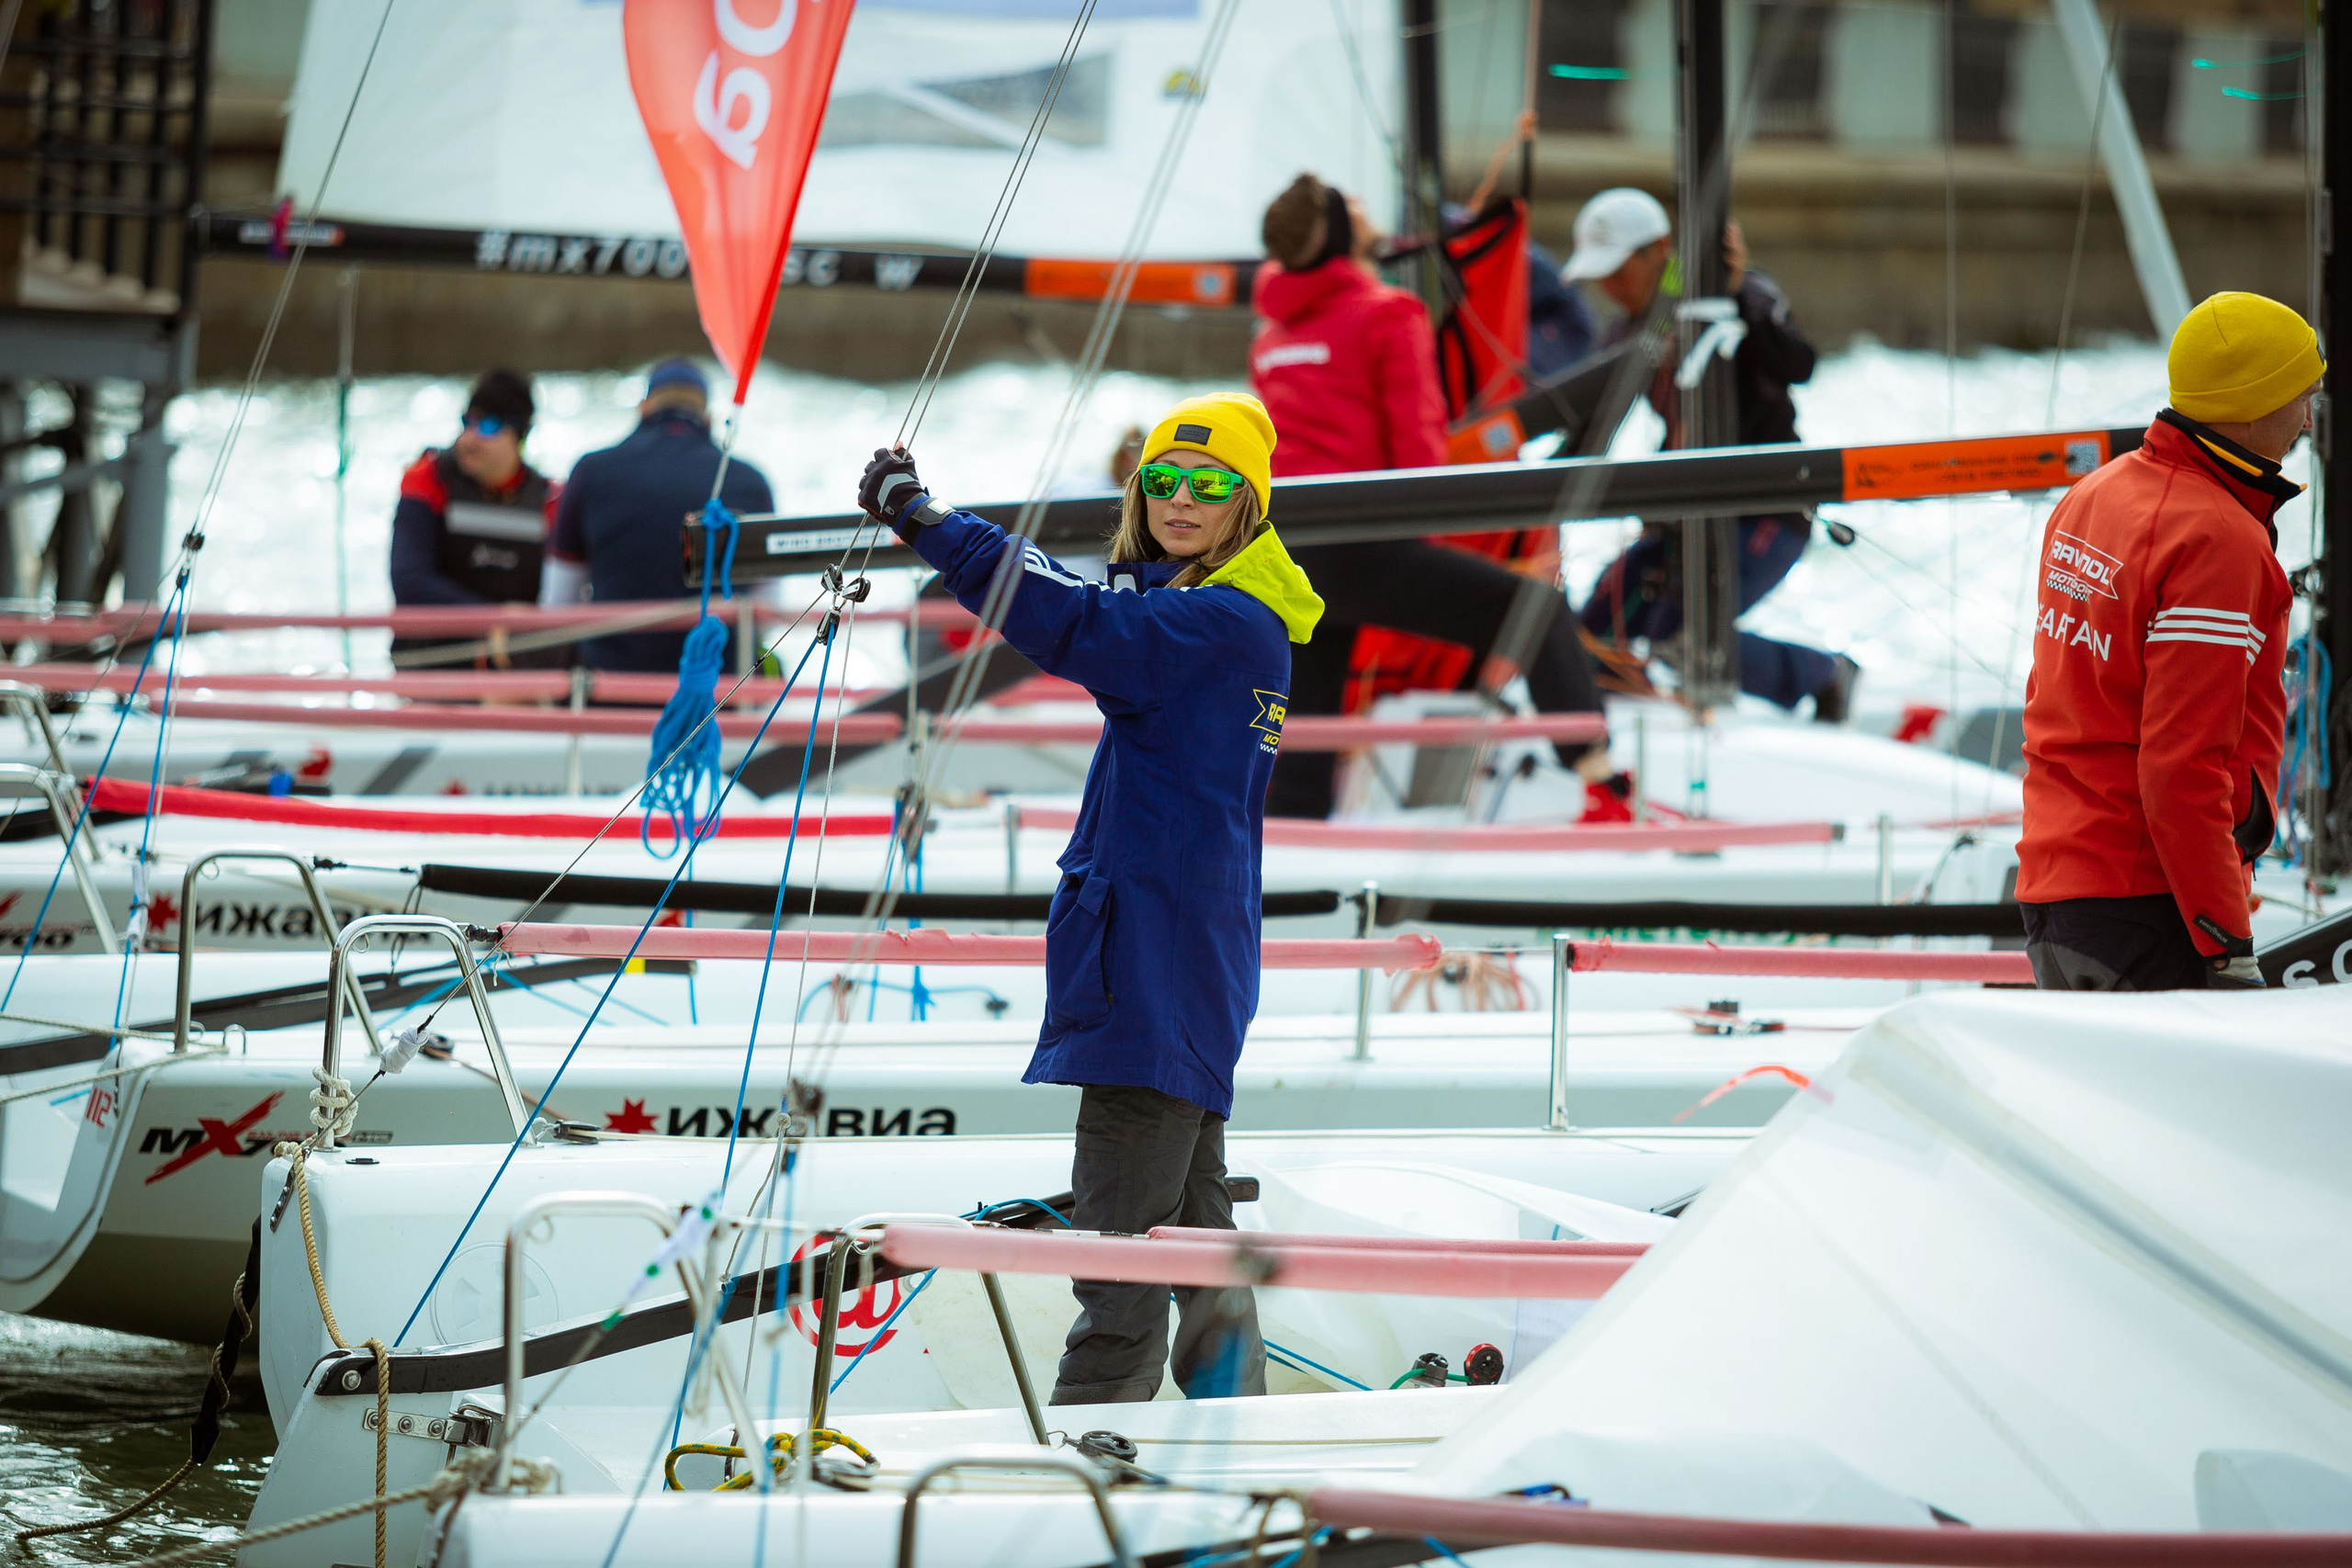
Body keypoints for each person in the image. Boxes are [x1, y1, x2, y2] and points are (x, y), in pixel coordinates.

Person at [856, 392, 1320, 1404]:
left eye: (1210, 484)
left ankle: (1082, 1467)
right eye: (1162, 480)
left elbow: (1069, 620)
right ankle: (1234, 1430)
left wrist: (929, 523)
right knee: (1194, 1239)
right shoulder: (1223, 619)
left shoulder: (1215, 623)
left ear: (1249, 504)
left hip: (1152, 973)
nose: (1182, 499)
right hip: (1180, 969)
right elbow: (1098, 610)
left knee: (1116, 1259)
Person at [1250, 171, 1611, 820]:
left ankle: (1290, 846)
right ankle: (1600, 783)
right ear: (1338, 230)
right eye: (1355, 203)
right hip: (1363, 543)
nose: (1368, 207)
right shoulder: (1390, 312)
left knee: (1305, 733)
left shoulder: (1270, 339)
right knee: (1535, 614)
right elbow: (1421, 458)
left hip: (1284, 550)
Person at [2016, 292, 2317, 992]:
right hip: (2146, 905)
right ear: (2249, 403)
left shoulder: (2096, 492)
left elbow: (2056, 694)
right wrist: (2226, 939)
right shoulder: (2216, 538)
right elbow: (2181, 766)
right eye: (2300, 395)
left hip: (2059, 890)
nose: (2308, 418)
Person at [1568, 187, 1858, 720]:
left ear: (1659, 251)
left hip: (1766, 511)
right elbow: (1591, 431)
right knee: (1589, 635)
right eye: (1599, 274)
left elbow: (1800, 365)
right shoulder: (1630, 331)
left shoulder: (1740, 294)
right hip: (1683, 520)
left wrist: (1736, 300)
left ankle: (1823, 672)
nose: (1608, 285)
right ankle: (1631, 724)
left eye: (1618, 270)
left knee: (1683, 635)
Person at [541, 358, 774, 674]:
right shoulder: (750, 481)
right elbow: (768, 613)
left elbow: (559, 603)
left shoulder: (590, 472)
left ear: (643, 409)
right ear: (707, 418)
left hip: (613, 687)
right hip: (719, 689)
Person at [389, 370, 560, 661]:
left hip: (515, 666)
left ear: (521, 434)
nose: (470, 439)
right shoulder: (428, 480)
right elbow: (410, 582)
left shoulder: (551, 500)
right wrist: (495, 619)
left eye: (488, 427)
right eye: (467, 422)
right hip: (434, 660)